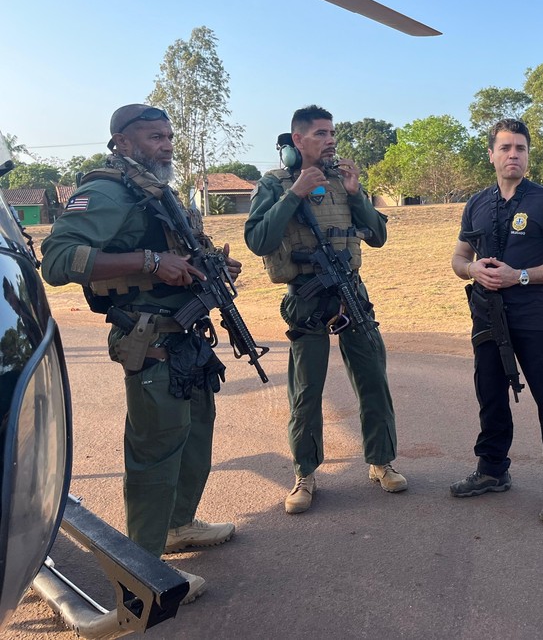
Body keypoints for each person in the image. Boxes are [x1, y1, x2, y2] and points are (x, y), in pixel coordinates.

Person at [40, 104, 239, 604]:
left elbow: (177, 249)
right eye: (154, 137)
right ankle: (141, 579)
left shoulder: (157, 192)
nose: (167, 144)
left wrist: (209, 263)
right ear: (123, 143)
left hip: (186, 335)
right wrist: (151, 262)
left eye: (169, 135)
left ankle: (176, 527)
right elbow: (59, 260)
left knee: (195, 432)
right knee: (156, 450)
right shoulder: (105, 192)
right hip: (149, 340)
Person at [244, 105, 406, 514]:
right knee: (306, 390)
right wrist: (295, 192)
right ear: (297, 140)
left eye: (331, 132)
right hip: (306, 297)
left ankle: (381, 462)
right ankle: (305, 473)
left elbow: (379, 237)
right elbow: (259, 240)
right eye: (320, 133)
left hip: (352, 292)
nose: (330, 139)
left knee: (372, 378)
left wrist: (357, 195)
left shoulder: (344, 180)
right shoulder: (273, 183)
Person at [449, 118, 543, 523]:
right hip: (487, 315)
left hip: (534, 317)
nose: (513, 155)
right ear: (491, 154)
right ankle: (491, 470)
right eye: (505, 148)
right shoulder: (477, 203)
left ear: (527, 155)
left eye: (520, 148)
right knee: (489, 393)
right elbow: (458, 259)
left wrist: (518, 276)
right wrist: (473, 271)